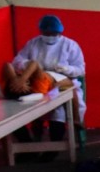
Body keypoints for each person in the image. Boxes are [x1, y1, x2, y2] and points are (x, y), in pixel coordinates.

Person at [10, 14, 86, 144]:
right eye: (47, 33)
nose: (50, 36)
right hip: (38, 80)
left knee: (59, 111)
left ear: (60, 32)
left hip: (61, 79)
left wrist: (67, 69)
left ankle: (56, 141)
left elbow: (80, 69)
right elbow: (17, 61)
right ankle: (34, 139)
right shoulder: (33, 43)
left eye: (54, 33)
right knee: (33, 109)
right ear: (41, 31)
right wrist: (28, 65)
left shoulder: (70, 45)